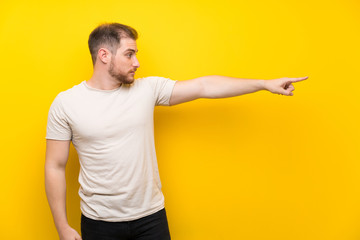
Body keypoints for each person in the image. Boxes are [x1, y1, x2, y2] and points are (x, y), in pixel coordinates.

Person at [44, 22, 308, 240]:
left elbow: (205, 86)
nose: (137, 62)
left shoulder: (147, 89)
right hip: (99, 223)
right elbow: (54, 166)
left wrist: (263, 83)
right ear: (104, 55)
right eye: (129, 54)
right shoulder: (66, 103)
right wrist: (62, 228)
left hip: (151, 218)